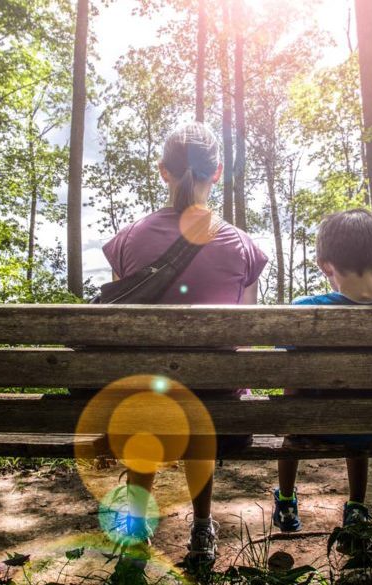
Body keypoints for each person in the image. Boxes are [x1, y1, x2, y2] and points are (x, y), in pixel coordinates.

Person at [100, 122, 268, 564]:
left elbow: (123, 329)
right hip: (218, 414)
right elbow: (246, 334)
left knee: (149, 394)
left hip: (143, 408)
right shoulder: (242, 245)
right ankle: (201, 526)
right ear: (216, 174)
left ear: (163, 171)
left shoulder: (129, 239)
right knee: (203, 400)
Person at [271, 208, 372, 535]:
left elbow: (287, 375)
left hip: (316, 424)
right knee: (362, 411)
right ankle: (356, 507)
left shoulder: (304, 310)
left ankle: (285, 500)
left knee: (294, 404)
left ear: (325, 264)